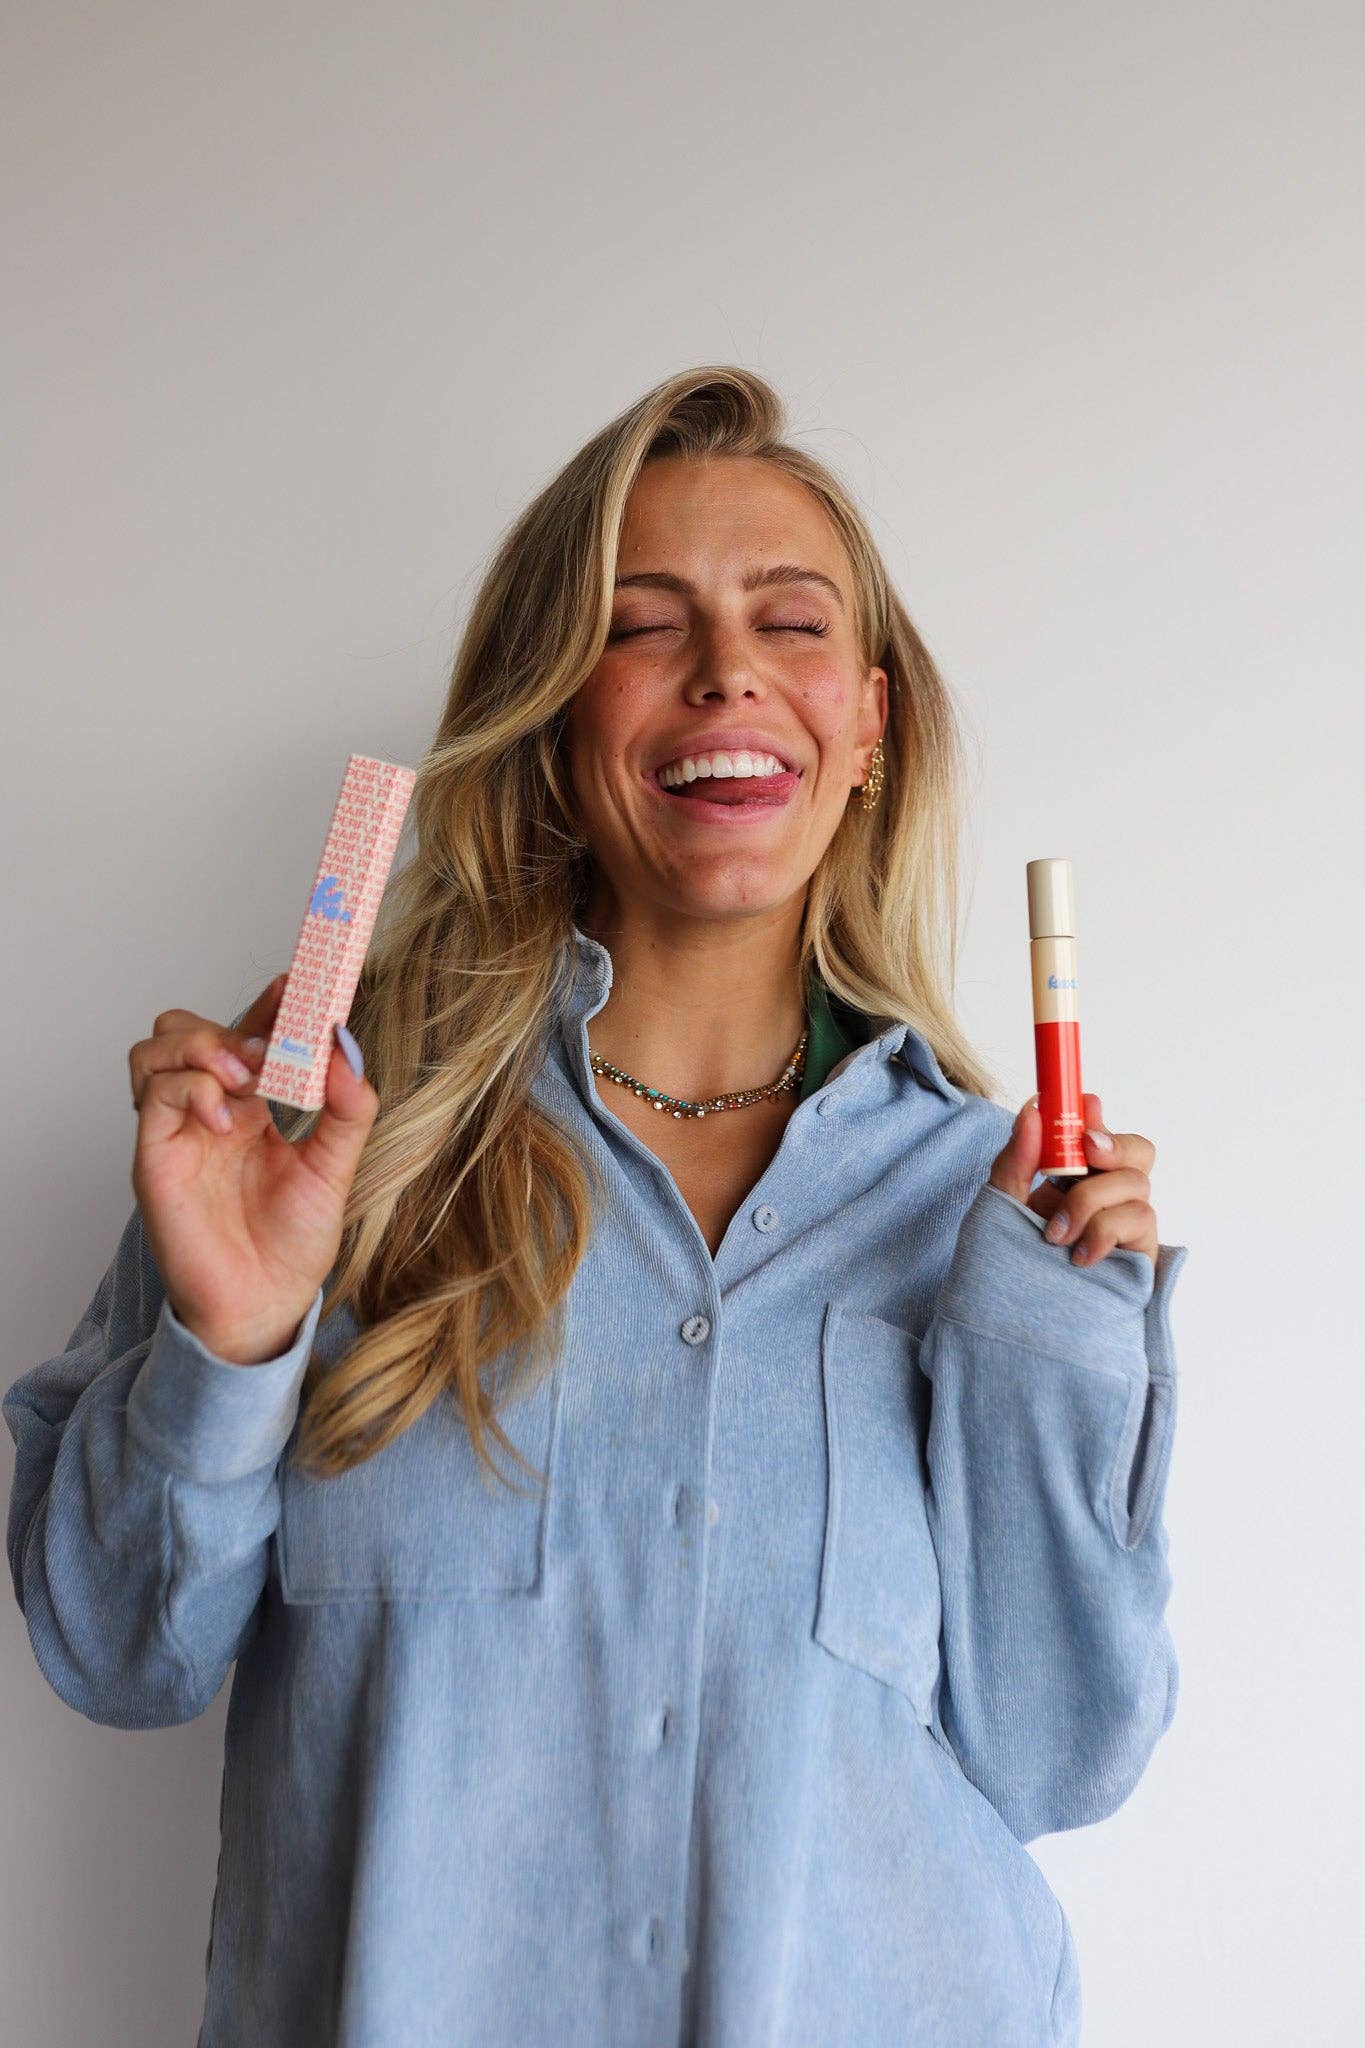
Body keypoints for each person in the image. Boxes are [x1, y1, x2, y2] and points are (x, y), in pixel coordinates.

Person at [4, 366, 1186, 2048]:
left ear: (868, 726)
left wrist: (1048, 1341)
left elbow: (1061, 1757)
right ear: (556, 720)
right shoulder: (319, 1146)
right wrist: (233, 1335)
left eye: (789, 623)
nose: (726, 670)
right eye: (644, 626)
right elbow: (119, 1656)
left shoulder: (992, 1214)